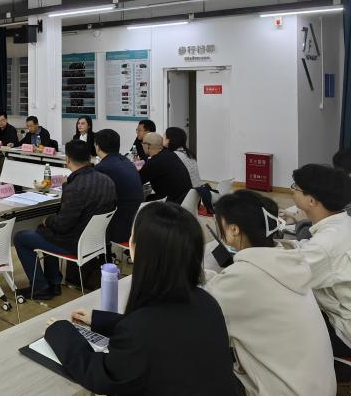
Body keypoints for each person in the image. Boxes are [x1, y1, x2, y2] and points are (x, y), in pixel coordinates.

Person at [44, 203, 237, 396]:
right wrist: (98, 320)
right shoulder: (207, 302)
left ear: (140, 251)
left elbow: (102, 376)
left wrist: (60, 331)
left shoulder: (141, 329)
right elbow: (163, 330)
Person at [204, 189, 335, 395]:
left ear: (234, 230)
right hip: (318, 386)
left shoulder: (245, 277)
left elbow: (204, 303)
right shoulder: (288, 261)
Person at [14, 140, 115, 300]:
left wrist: (47, 220)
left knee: (21, 237)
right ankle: (54, 282)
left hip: (74, 243)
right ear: (89, 157)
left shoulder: (76, 187)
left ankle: (40, 287)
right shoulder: (107, 180)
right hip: (96, 241)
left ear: (67, 159)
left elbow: (61, 225)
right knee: (45, 230)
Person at [290, 164, 351, 361]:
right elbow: (311, 250)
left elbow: (289, 279)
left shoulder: (325, 244)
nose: (292, 191)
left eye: (296, 187)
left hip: (344, 332)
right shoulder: (344, 223)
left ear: (311, 200)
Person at [94, 129, 143, 244]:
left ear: (97, 147)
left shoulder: (103, 168)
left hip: (119, 227)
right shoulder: (127, 162)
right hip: (135, 223)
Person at [139, 132, 191, 205]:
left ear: (147, 146)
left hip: (172, 204)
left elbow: (137, 181)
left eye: (143, 143)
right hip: (186, 199)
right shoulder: (170, 154)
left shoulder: (154, 162)